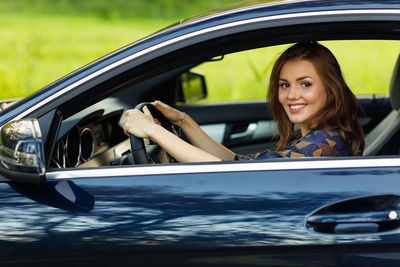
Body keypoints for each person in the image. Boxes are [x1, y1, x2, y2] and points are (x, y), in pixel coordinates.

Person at [123, 42, 364, 163]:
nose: (292, 95)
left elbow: (222, 172)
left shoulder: (322, 145)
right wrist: (184, 122)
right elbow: (236, 164)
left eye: (305, 84)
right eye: (284, 85)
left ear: (331, 89)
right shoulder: (316, 137)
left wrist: (152, 130)